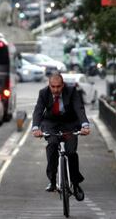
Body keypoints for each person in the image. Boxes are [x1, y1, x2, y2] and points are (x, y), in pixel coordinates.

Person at [32, 72, 90, 201]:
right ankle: (52, 181)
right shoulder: (43, 93)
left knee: (71, 152)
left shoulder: (72, 91)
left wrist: (85, 125)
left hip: (69, 124)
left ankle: (75, 184)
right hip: (51, 124)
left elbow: (79, 108)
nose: (56, 89)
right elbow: (38, 110)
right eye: (53, 86)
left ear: (63, 85)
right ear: (49, 85)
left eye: (58, 86)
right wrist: (35, 128)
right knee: (52, 145)